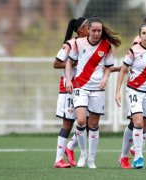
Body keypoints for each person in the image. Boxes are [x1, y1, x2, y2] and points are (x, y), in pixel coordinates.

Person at [65, 16, 121, 169]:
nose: (97, 33)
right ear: (88, 30)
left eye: (99, 31)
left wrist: (106, 77)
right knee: (81, 121)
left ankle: (91, 159)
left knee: (94, 124)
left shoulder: (106, 46)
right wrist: (68, 79)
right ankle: (83, 154)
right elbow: (69, 62)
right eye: (94, 30)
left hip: (98, 88)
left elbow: (108, 66)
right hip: (80, 86)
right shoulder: (78, 43)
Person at [118, 14, 146, 169]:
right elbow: (123, 70)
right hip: (134, 90)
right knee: (137, 122)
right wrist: (117, 92)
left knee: (145, 124)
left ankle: (124, 156)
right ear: (140, 35)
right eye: (143, 33)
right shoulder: (134, 50)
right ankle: (138, 157)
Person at [53, 17, 89, 168]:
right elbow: (56, 63)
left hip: (83, 88)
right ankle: (58, 160)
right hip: (68, 89)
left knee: (87, 122)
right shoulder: (70, 44)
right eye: (88, 26)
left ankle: (70, 147)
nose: (90, 28)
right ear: (80, 29)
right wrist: (73, 62)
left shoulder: (88, 44)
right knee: (68, 124)